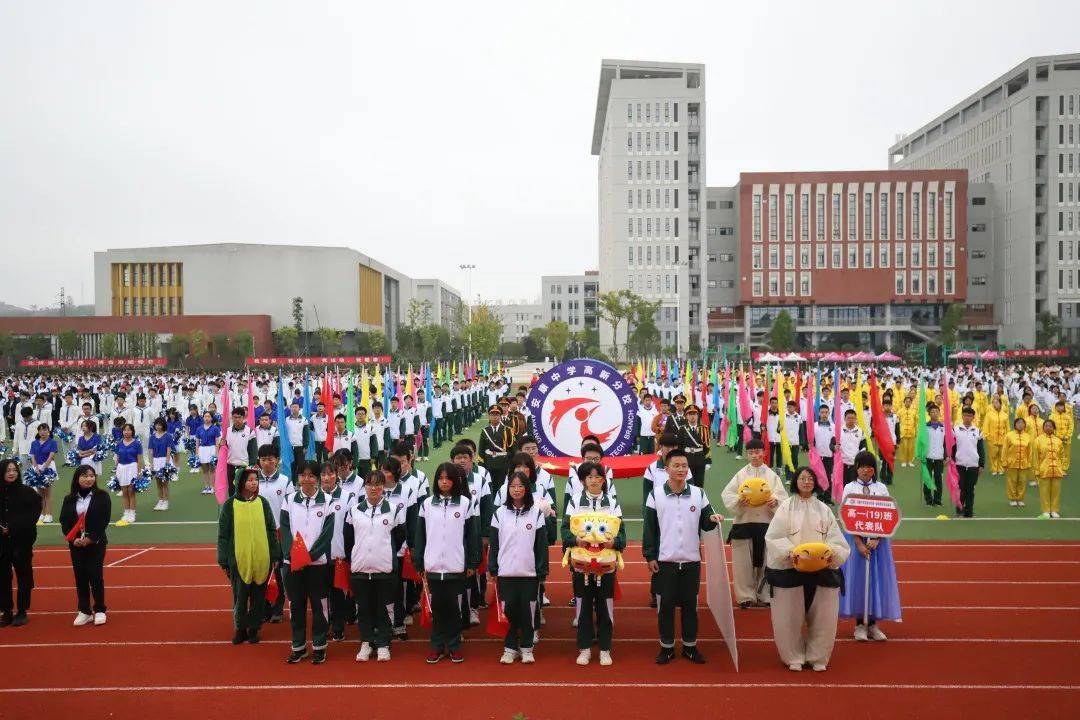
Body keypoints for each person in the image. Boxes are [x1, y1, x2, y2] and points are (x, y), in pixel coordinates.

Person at [765, 466, 850, 672]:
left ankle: (818, 656)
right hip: (790, 570)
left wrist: (831, 553)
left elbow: (836, 539)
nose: (806, 482)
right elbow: (774, 536)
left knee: (824, 619)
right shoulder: (785, 507)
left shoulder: (824, 509)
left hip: (822, 571)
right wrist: (791, 553)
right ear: (795, 482)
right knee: (788, 618)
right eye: (802, 478)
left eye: (810, 479)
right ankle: (792, 656)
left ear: (815, 483)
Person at [643, 449, 721, 665]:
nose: (681, 469)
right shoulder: (655, 495)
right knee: (665, 607)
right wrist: (650, 555)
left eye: (684, 466)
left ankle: (690, 646)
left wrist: (713, 518)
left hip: (691, 561)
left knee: (690, 607)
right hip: (665, 561)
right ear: (666, 469)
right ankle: (666, 647)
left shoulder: (699, 494)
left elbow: (706, 522)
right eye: (676, 465)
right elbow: (649, 528)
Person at [413, 461, 481, 664]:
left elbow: (472, 536)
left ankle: (453, 646)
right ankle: (436, 646)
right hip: (432, 566)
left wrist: (471, 562)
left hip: (456, 566)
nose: (444, 482)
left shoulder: (465, 504)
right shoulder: (426, 504)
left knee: (453, 608)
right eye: (441, 478)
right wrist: (419, 563)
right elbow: (420, 536)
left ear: (454, 481)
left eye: (448, 478)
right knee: (437, 608)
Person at [562, 461, 624, 666]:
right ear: (582, 481)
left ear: (604, 480)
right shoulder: (574, 502)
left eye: (598, 477)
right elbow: (564, 531)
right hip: (581, 567)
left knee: (606, 609)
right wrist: (575, 541)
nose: (594, 480)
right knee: (583, 609)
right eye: (590, 477)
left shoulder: (612, 503)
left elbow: (622, 533)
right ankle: (585, 648)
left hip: (606, 567)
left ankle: (605, 649)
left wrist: (615, 542)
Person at [839, 452, 902, 641]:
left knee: (876, 581)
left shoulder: (881, 488)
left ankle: (873, 624)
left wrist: (877, 538)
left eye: (870, 466)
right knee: (858, 581)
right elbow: (846, 515)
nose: (866, 470)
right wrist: (858, 542)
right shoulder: (849, 487)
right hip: (855, 541)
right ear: (856, 468)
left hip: (878, 543)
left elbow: (889, 514)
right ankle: (859, 624)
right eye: (862, 466)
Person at [344, 469, 406, 662]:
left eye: (378, 484)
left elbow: (399, 536)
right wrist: (356, 557)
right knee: (363, 609)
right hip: (360, 569)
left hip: (384, 569)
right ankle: (366, 642)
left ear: (383, 487)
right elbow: (348, 539)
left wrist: (385, 554)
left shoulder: (394, 509)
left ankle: (383, 643)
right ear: (365, 487)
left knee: (383, 609)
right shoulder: (354, 510)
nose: (374, 488)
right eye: (370, 484)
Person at [488, 471, 549, 664]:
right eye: (512, 486)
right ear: (508, 489)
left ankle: (527, 647)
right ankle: (510, 647)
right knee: (509, 611)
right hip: (506, 573)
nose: (516, 490)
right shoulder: (499, 514)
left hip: (529, 573)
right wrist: (493, 567)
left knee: (528, 612)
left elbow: (541, 545)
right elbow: (494, 544)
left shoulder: (536, 513)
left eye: (520, 486)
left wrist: (541, 570)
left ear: (527, 489)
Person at [280, 460, 335, 665]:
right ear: (298, 478)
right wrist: (292, 555)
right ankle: (299, 647)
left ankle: (319, 646)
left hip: (317, 565)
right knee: (296, 606)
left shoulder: (327, 501)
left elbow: (326, 536)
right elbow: (285, 531)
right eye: (303, 475)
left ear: (318, 478)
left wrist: (308, 557)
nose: (307, 479)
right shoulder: (288, 500)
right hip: (292, 564)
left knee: (320, 607)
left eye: (311, 475)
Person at [722, 438, 787, 608]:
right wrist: (739, 502)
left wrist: (775, 502)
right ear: (747, 454)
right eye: (750, 453)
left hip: (767, 523)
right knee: (743, 564)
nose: (754, 456)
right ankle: (745, 597)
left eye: (758, 452)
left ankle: (764, 595)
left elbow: (783, 499)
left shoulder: (772, 476)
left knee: (767, 561)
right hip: (744, 523)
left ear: (764, 453)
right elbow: (727, 495)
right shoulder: (741, 475)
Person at [217, 467, 280, 644]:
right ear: (240, 482)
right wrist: (223, 559)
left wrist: (275, 554)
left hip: (262, 559)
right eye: (249, 479)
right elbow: (223, 533)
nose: (253, 483)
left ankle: (254, 628)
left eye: (255, 479)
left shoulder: (263, 503)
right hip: (239, 559)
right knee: (240, 596)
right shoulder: (230, 505)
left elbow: (271, 529)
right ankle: (240, 628)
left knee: (258, 596)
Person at [58, 465, 111, 626]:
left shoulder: (102, 496)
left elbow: (104, 520)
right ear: (77, 478)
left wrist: (91, 539)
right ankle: (84, 610)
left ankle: (100, 609)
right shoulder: (69, 498)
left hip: (96, 543)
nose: (89, 479)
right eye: (85, 476)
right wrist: (73, 540)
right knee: (80, 576)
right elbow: (64, 520)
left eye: (91, 475)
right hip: (76, 544)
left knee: (95, 576)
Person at [0, 459, 42, 626]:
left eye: (14, 470)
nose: (11, 473)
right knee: (2, 577)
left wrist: (12, 527)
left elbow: (33, 515)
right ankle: (6, 611)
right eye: (7, 470)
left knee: (23, 576)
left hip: (21, 542)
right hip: (2, 543)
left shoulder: (28, 492)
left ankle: (22, 611)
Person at [255, 443, 291, 623]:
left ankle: (278, 607)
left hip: (278, 534)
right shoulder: (253, 481)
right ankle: (263, 607)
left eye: (270, 459)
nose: (267, 463)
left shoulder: (285, 481)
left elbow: (290, 509)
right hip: (259, 534)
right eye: (263, 459)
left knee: (278, 572)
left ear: (277, 460)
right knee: (261, 571)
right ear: (259, 461)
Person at [952, 406, 985, 518]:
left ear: (973, 417)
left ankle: (969, 511)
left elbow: (981, 449)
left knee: (970, 489)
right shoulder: (955, 430)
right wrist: (951, 460)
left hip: (973, 465)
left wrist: (981, 465)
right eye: (965, 415)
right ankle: (959, 510)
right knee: (960, 488)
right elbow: (952, 447)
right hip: (959, 464)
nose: (967, 417)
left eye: (970, 416)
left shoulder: (978, 431)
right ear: (962, 416)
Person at [479, 405, 515, 495]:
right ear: (489, 416)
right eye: (492, 414)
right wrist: (481, 465)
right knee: (489, 487)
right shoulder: (485, 431)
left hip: (503, 464)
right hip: (488, 463)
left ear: (500, 416)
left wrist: (510, 464)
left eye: (497, 414)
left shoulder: (507, 430)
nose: (494, 417)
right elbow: (481, 450)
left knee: (502, 487)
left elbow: (512, 450)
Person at [113, 423, 143, 527]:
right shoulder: (119, 443)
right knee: (124, 492)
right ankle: (126, 513)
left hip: (132, 467)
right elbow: (117, 458)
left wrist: (139, 472)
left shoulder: (137, 443)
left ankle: (132, 513)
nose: (126, 432)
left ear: (132, 431)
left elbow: (139, 459)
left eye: (129, 430)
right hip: (121, 468)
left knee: (131, 491)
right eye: (125, 430)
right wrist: (116, 470)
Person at [1034, 419, 1065, 519]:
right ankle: (1046, 510)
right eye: (1046, 426)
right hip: (1044, 470)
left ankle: (1054, 510)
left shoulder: (1058, 441)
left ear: (1054, 428)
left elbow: (1062, 456)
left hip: (1057, 470)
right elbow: (1035, 457)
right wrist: (1037, 470)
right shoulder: (1038, 440)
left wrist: (1062, 468)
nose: (1048, 428)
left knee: (1056, 492)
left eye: (1050, 426)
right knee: (1044, 491)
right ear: (1043, 427)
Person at [27, 423, 58, 524]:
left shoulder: (53, 442)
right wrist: (36, 467)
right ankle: (42, 514)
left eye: (44, 430)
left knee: (47, 493)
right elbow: (32, 456)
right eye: (40, 430)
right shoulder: (34, 443)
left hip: (48, 468)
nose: (43, 432)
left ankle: (49, 514)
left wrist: (44, 467)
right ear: (38, 432)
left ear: (48, 431)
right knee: (40, 494)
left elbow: (51, 456)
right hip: (36, 469)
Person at [678, 405, 711, 488]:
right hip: (686, 459)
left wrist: (708, 461)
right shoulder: (682, 429)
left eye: (694, 414)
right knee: (687, 484)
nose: (692, 416)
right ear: (686, 416)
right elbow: (680, 446)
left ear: (698, 415)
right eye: (690, 414)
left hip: (700, 459)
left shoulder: (705, 429)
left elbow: (707, 446)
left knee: (699, 484)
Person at [1002, 417, 1032, 508]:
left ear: (1025, 425)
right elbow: (1005, 449)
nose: (1020, 425)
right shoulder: (1009, 435)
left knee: (1022, 481)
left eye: (1022, 423)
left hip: (1024, 463)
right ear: (1015, 424)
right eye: (1018, 423)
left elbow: (1030, 451)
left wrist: (1029, 462)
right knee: (1012, 481)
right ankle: (1013, 499)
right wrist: (1004, 462)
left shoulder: (1028, 436)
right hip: (1012, 462)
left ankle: (1020, 498)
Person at [148, 417, 176, 512]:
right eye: (156, 424)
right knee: (158, 482)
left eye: (160, 425)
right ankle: (160, 500)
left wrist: (167, 463)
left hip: (164, 460)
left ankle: (166, 501)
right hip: (155, 461)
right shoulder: (152, 436)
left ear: (163, 425)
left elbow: (169, 450)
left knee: (165, 483)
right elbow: (150, 451)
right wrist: (151, 463)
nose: (158, 426)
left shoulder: (168, 436)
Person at [981, 396, 1010, 476]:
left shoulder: (1005, 415)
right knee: (993, 454)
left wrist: (1008, 436)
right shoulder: (989, 415)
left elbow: (1007, 427)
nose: (995, 405)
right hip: (992, 437)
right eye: (993, 403)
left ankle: (1000, 469)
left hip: (1002, 438)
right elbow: (986, 425)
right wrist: (986, 435)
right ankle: (994, 469)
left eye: (997, 403)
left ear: (1000, 404)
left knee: (1001, 454)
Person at [923, 403, 945, 507]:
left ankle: (937, 500)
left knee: (938, 479)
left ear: (939, 413)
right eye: (932, 412)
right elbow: (921, 442)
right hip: (927, 457)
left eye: (936, 412)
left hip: (939, 458)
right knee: (927, 479)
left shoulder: (944, 427)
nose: (935, 413)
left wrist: (947, 456)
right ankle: (928, 500)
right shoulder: (925, 427)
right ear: (929, 414)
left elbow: (947, 443)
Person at [195, 410, 221, 495]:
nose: (207, 418)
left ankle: (213, 487)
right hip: (202, 450)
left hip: (212, 449)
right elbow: (197, 441)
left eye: (208, 416)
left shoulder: (215, 428)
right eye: (205, 416)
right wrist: (197, 452)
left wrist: (217, 453)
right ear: (203, 418)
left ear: (211, 418)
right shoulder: (199, 428)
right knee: (205, 470)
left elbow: (217, 441)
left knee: (212, 469)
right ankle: (206, 487)